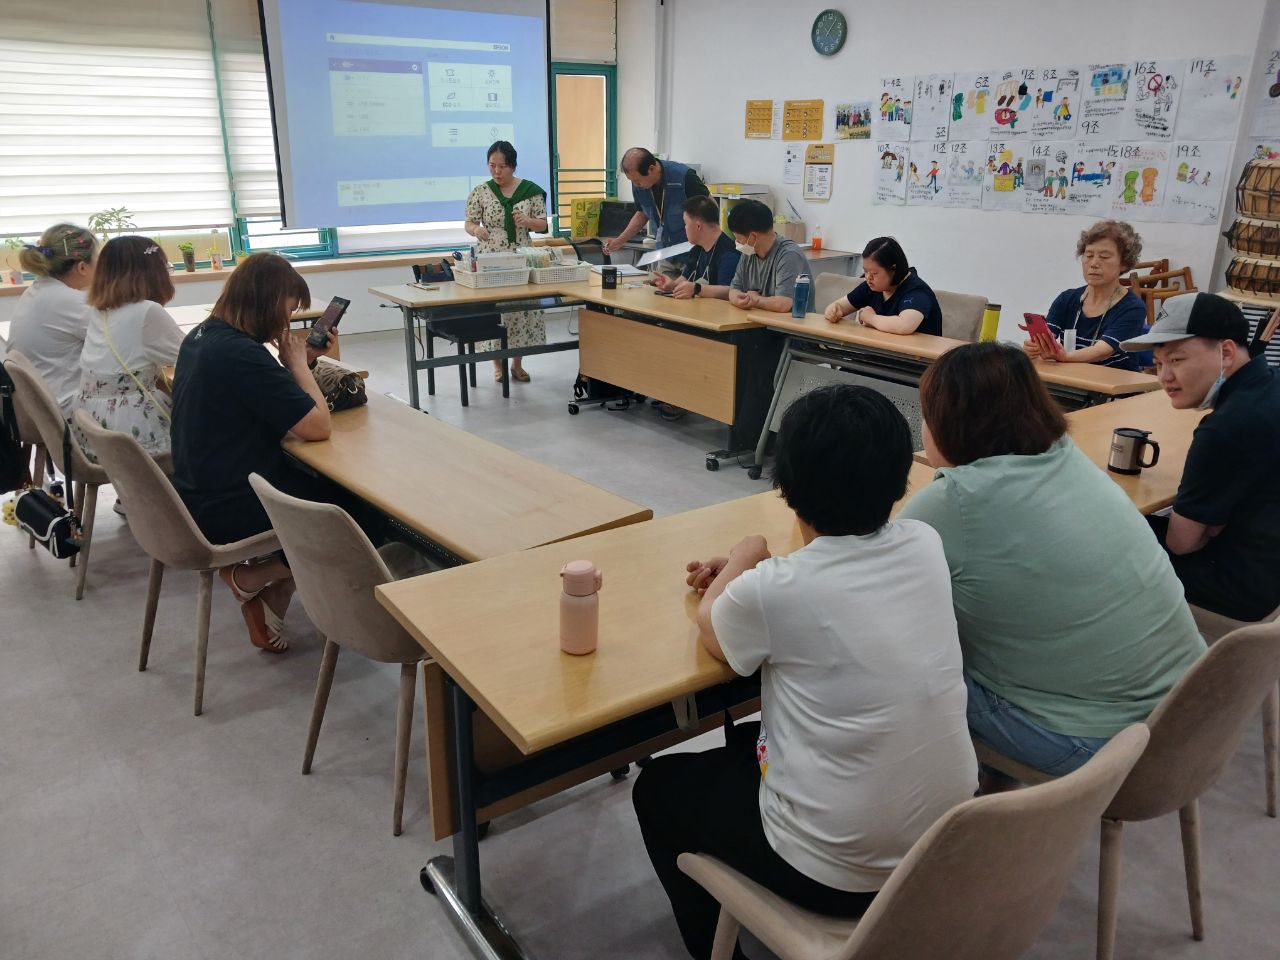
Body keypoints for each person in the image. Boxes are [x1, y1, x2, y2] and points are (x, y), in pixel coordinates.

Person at [633, 384, 977, 960]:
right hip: (945, 842)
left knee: (659, 789)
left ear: (786, 486)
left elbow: (715, 628)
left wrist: (746, 556)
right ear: (901, 477)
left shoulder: (772, 592)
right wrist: (764, 575)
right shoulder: (925, 542)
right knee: (748, 746)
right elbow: (831, 581)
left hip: (835, 873)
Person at [898, 342, 1205, 783]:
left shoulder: (954, 502)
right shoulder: (1066, 457)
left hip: (1100, 748)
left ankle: (929, 823)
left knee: (902, 664)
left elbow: (872, 589)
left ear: (947, 422)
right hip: (1189, 715)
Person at [170, 253, 334, 654]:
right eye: (288, 309)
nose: (286, 322)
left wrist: (295, 365)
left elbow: (257, 394)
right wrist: (300, 368)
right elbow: (317, 427)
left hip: (198, 490)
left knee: (326, 489)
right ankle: (259, 574)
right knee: (362, 516)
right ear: (266, 300)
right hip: (232, 505)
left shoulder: (205, 336)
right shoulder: (241, 354)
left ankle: (272, 591)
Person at [1121, 293, 1280, 621]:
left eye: (1176, 360)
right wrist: (1213, 520)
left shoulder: (1225, 427)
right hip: (1269, 564)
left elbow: (1182, 544)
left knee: (1107, 540)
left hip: (1242, 587)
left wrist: (1204, 523)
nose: (1164, 376)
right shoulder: (1270, 386)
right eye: (1159, 362)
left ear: (1225, 352)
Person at [74, 236, 184, 461]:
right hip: (135, 434)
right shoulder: (146, 311)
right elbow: (195, 356)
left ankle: (134, 496)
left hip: (93, 429)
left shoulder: (100, 310)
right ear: (153, 272)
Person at [463, 140, 549, 383]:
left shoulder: (530, 190)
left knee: (520, 309)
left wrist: (529, 222)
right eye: (492, 166)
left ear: (513, 166)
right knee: (496, 309)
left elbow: (543, 224)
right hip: (492, 256)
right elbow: (469, 223)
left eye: (502, 167)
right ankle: (497, 365)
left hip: (522, 255)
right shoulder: (481, 191)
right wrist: (475, 231)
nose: (497, 172)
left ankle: (517, 364)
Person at [1023, 219, 1149, 371]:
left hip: (1112, 389)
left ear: (1124, 263)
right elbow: (1047, 337)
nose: (1094, 263)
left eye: (1104, 256)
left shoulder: (1133, 307)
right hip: (1071, 381)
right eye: (1088, 255)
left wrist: (1064, 357)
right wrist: (1034, 346)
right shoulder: (1067, 299)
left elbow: (1101, 352)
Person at [8, 223, 97, 416]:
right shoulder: (73, 302)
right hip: (59, 411)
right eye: (97, 257)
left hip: (27, 409)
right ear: (82, 267)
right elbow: (116, 346)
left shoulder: (35, 291)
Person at [822, 237, 943, 335]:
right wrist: (833, 311)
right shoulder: (871, 285)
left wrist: (870, 317)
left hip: (912, 362)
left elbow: (904, 326)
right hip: (877, 356)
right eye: (865, 271)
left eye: (874, 273)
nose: (868, 277)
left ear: (893, 269)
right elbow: (840, 306)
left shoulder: (917, 291)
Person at [601, 147, 709, 254]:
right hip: (665, 251)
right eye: (632, 181)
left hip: (691, 251)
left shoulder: (684, 177)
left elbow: (710, 208)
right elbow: (642, 213)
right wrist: (619, 241)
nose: (635, 185)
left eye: (637, 181)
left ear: (651, 169)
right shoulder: (639, 184)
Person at [726, 199, 809, 314]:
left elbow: (783, 304)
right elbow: (734, 289)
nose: (737, 242)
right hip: (758, 322)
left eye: (739, 239)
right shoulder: (749, 252)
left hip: (787, 328)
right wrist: (738, 299)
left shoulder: (789, 255)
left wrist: (755, 300)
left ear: (753, 237)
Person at [650, 195, 739, 300]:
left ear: (698, 226)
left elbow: (729, 291)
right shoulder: (697, 249)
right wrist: (672, 285)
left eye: (686, 223)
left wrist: (697, 288)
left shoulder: (728, 253)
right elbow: (685, 278)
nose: (685, 228)